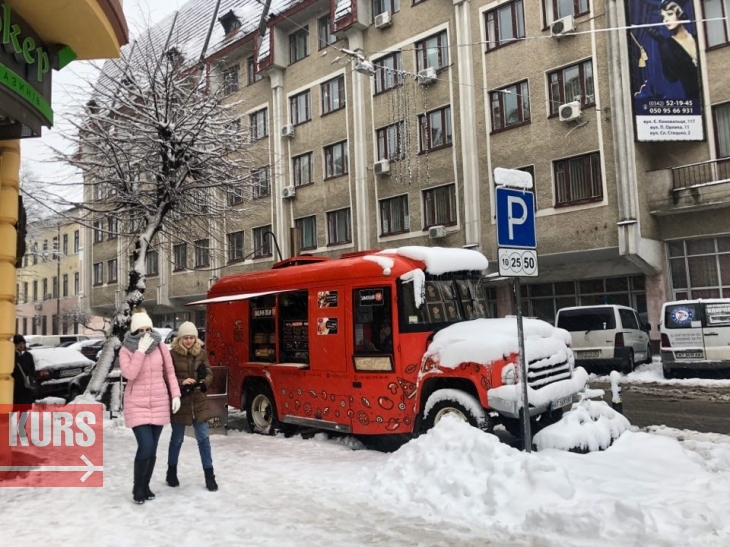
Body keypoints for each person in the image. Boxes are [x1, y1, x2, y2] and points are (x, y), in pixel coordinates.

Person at [119, 310, 181, 505]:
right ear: (134, 331)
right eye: (140, 330)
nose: (145, 333)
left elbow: (170, 372)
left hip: (159, 402)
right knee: (145, 445)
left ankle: (145, 486)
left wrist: (176, 394)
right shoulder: (125, 350)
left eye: (148, 329)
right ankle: (137, 487)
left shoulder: (160, 346)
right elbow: (130, 374)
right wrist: (139, 351)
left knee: (152, 449)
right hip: (136, 404)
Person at [165, 321, 218, 492]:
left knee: (203, 439)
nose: (189, 341)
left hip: (199, 401)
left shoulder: (201, 353)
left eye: (192, 338)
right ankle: (171, 472)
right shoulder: (172, 355)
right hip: (181, 402)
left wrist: (204, 382)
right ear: (180, 339)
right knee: (177, 439)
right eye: (186, 338)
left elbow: (209, 372)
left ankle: (210, 476)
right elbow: (167, 376)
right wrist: (182, 383)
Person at [646, 0, 699, 99]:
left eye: (669, 14)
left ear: (680, 12)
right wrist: (662, 43)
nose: (665, 20)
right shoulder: (667, 45)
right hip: (693, 100)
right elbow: (672, 76)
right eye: (663, 17)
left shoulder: (697, 38)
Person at [12, 335, 36, 405]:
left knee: (25, 407)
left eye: (23, 343)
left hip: (26, 386)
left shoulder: (28, 355)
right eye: (19, 344)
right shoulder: (12, 356)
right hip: (16, 386)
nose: (21, 345)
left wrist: (31, 379)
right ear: (15, 345)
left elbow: (32, 368)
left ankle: (22, 416)